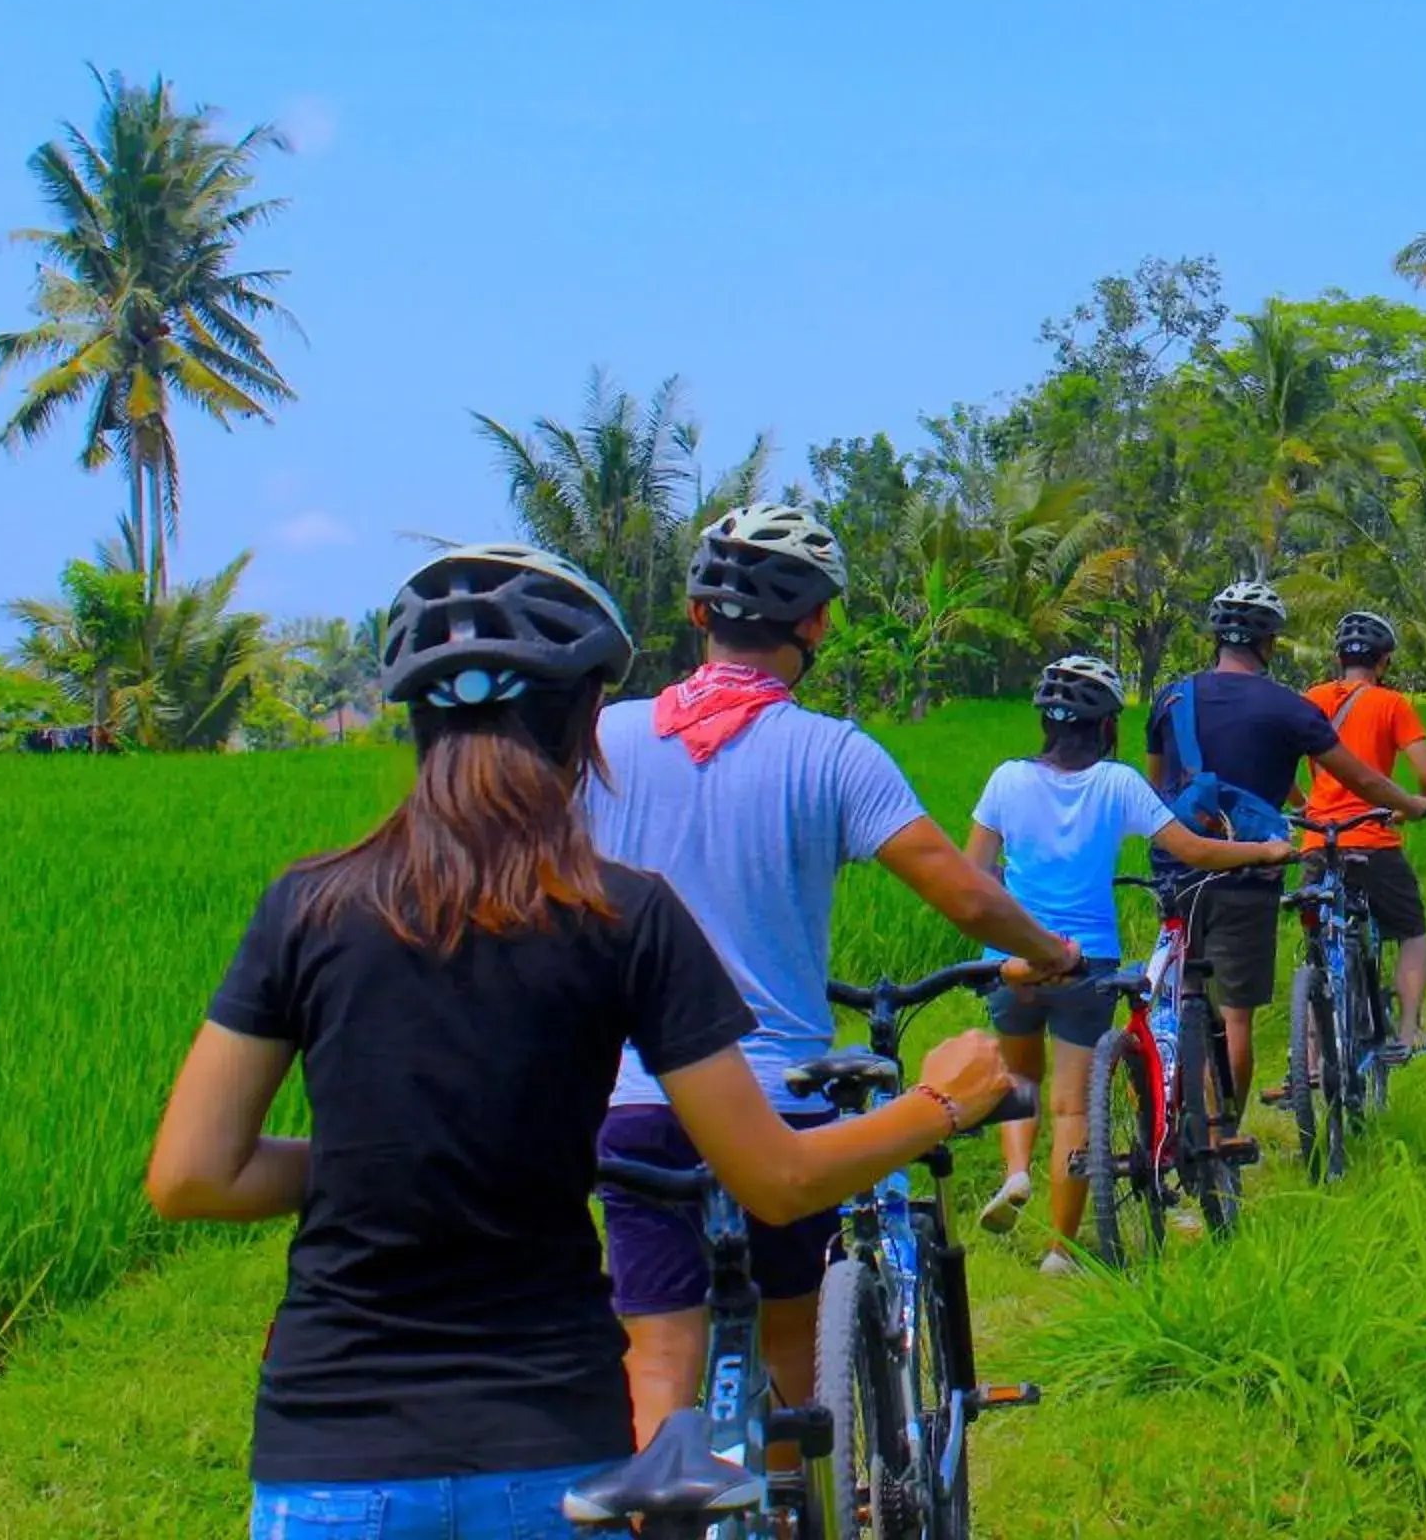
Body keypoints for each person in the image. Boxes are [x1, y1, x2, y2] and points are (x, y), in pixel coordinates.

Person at [146, 545, 1026, 1538]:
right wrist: (944, 1100)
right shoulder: (627, 916)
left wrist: (384, 1155)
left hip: (330, 1461)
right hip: (544, 1443)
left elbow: (191, 1174)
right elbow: (774, 1177)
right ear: (582, 729)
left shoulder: (306, 906)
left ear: (418, 721)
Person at [589, 503, 1083, 1447]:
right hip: (779, 1104)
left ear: (698, 614)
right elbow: (966, 897)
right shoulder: (832, 752)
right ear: (817, 624)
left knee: (655, 1361)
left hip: (639, 1101)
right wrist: (1051, 954)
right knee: (791, 1338)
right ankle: (799, 1496)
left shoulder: (604, 742)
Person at [969, 655, 1297, 1271]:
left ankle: (1016, 1174)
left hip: (1009, 961)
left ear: (1046, 720)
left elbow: (974, 872)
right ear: (1108, 726)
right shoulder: (1117, 783)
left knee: (1019, 1084)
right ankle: (1060, 1250)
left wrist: (1007, 917)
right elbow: (1191, 847)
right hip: (1084, 961)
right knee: (1073, 1104)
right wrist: (1264, 847)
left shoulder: (1005, 780)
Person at [1146, 579, 1426, 1132]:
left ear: (1216, 637)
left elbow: (1156, 789)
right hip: (1247, 874)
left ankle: (1173, 1132)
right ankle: (1220, 1143)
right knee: (1235, 1018)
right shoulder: (1286, 706)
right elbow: (1363, 781)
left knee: (1183, 1002)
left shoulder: (1171, 698)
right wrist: (1412, 804)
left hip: (1176, 871)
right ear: (1270, 643)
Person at [1299, 610, 1426, 1056]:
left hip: (1317, 841)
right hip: (1372, 841)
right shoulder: (1392, 703)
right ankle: (1407, 1033)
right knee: (1412, 931)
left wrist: (1303, 805)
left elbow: (1281, 763)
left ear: (1338, 658)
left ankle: (1305, 1059)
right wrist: (1423, 804)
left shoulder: (1311, 699)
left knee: (1319, 955)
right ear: (1383, 662)